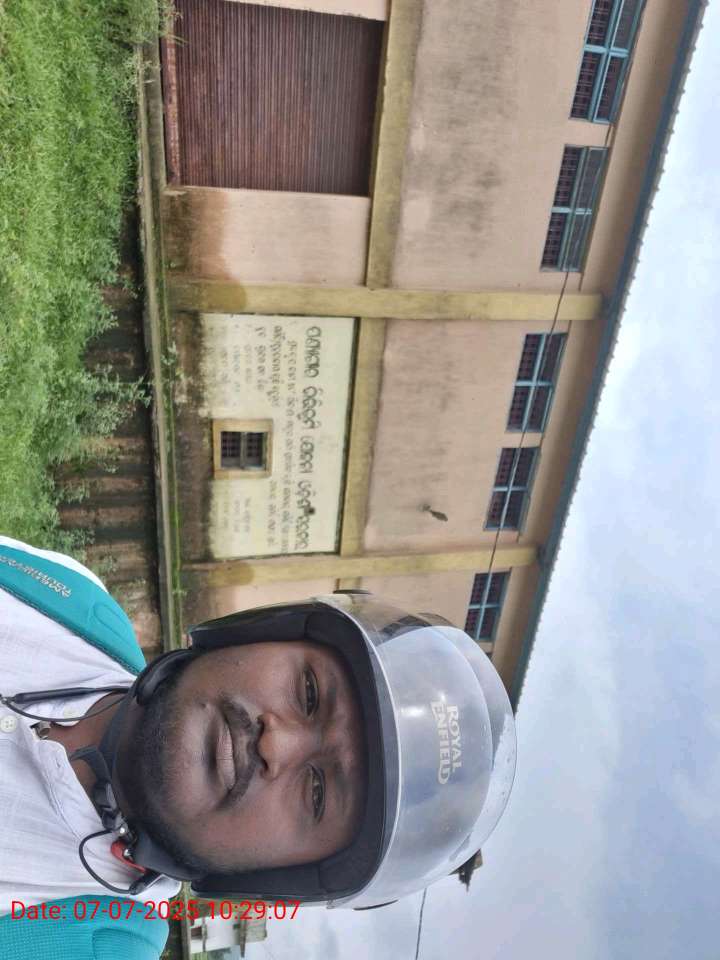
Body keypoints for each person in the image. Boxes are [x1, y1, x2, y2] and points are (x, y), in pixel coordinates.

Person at [0, 534, 517, 958]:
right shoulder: (65, 599)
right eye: (309, 693)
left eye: (318, 794)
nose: (278, 743)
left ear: (278, 875)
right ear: (260, 633)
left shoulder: (88, 946)